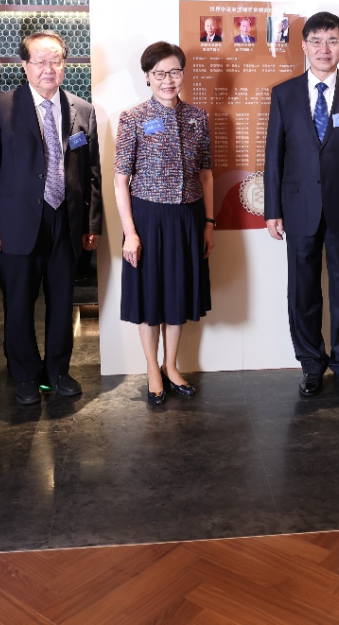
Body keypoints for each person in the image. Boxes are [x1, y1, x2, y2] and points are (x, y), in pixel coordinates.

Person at [0, 30, 102, 406]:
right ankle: (26, 374)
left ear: (64, 65)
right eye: (40, 61)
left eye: (55, 60)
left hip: (65, 220)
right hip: (16, 222)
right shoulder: (1, 107)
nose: (48, 68)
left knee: (62, 302)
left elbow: (92, 174)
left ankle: (58, 371)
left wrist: (91, 225)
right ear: (25, 65)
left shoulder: (83, 110)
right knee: (18, 303)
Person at [263, 11, 339, 398]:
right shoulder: (284, 93)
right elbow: (274, 157)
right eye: (316, 41)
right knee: (302, 292)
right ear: (304, 46)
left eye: (331, 41)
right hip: (298, 208)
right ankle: (311, 364)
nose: (323, 49)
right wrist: (272, 209)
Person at [115, 42, 214, 405]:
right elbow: (120, 180)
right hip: (147, 219)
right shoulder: (133, 118)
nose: (167, 80)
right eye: (159, 73)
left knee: (177, 294)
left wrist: (209, 222)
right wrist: (130, 233)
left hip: (188, 218)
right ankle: (152, 369)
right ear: (147, 77)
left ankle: (171, 366)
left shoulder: (197, 117)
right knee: (150, 296)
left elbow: (206, 174)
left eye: (174, 72)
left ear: (183, 74)